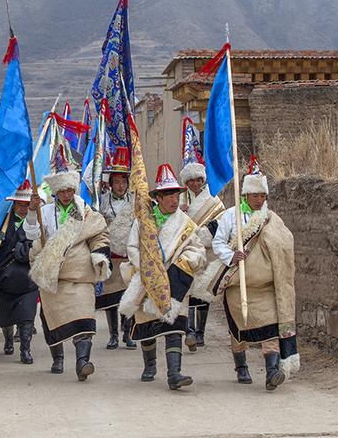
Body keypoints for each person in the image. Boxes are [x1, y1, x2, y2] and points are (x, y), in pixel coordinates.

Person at [211, 157, 299, 391]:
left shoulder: (272, 219)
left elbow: (283, 243)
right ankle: (241, 367)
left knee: (270, 327)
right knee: (239, 329)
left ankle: (272, 372)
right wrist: (232, 256)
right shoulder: (231, 217)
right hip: (239, 285)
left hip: (266, 287)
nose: (259, 200)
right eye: (254, 195)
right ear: (245, 195)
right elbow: (218, 242)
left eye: (262, 196)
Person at [24, 145, 111, 381]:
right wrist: (32, 212)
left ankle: (83, 361)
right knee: (53, 319)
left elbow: (99, 235)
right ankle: (58, 357)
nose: (66, 194)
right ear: (55, 191)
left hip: (81, 276)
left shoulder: (86, 212)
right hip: (54, 278)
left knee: (84, 317)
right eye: (62, 190)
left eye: (70, 189)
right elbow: (33, 236)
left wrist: (99, 256)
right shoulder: (45, 212)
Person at [119, 164, 206, 390]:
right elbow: (132, 247)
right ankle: (149, 365)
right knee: (147, 325)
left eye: (176, 194)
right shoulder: (143, 221)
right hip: (147, 278)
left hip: (175, 281)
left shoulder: (186, 224)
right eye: (169, 195)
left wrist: (183, 263)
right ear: (158, 197)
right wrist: (148, 266)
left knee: (175, 325)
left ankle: (174, 373)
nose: (174, 200)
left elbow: (197, 249)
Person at [0, 180, 39, 364]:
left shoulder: (36, 223)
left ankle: (25, 349)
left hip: (27, 280)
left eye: (26, 205)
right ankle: (8, 340)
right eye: (20, 205)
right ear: (14, 204)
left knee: (26, 316)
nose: (23, 209)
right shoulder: (1, 223)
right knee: (5, 318)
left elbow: (40, 246)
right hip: (5, 279)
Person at [179, 152, 225, 350]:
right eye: (191, 181)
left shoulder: (214, 200)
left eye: (199, 180)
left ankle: (200, 332)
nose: (195, 184)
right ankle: (189, 329)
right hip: (186, 251)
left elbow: (221, 221)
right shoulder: (180, 201)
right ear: (187, 183)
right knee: (187, 290)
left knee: (203, 291)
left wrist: (202, 234)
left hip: (206, 251)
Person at [97, 147, 137, 350]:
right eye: (117, 182)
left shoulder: (136, 201)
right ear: (110, 184)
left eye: (124, 182)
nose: (121, 186)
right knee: (110, 297)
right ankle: (113, 334)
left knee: (129, 296)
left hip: (130, 257)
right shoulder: (102, 201)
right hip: (111, 257)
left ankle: (127, 333)